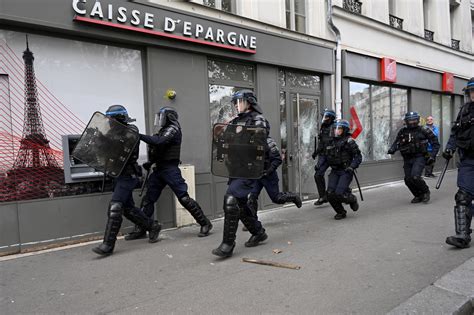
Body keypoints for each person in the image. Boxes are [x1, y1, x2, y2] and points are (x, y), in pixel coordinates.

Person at [125, 107, 213, 240]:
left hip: (170, 169)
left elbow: (159, 142)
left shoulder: (173, 128)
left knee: (184, 198)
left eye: (162, 116)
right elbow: (160, 149)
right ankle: (143, 228)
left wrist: (139, 135)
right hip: (159, 169)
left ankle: (205, 223)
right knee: (148, 200)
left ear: (169, 117)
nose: (159, 120)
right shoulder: (163, 130)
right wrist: (151, 162)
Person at [92, 105, 161, 256]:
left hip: (128, 176)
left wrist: (103, 138)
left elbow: (120, 143)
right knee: (128, 208)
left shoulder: (132, 130)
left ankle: (108, 245)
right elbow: (105, 151)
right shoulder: (112, 133)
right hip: (117, 175)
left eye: (111, 119)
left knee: (115, 207)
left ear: (119, 119)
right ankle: (152, 226)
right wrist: (97, 139)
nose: (109, 122)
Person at [212, 90, 269, 258]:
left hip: (249, 169)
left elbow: (259, 146)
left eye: (240, 101)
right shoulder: (236, 121)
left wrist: (239, 134)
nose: (237, 105)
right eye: (235, 102)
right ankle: (258, 232)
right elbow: (225, 140)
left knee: (231, 199)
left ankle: (227, 245)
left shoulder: (259, 121)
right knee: (241, 204)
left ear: (249, 102)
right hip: (236, 169)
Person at [246, 122, 302, 224]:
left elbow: (277, 160)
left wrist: (268, 171)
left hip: (268, 176)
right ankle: (252, 222)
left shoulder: (269, 142)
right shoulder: (252, 142)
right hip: (257, 176)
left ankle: (293, 197)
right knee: (251, 197)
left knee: (277, 198)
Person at [444, 77, 474, 249]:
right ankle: (463, 235)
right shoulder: (464, 111)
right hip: (468, 160)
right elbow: (455, 132)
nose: (473, 95)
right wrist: (450, 148)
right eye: (471, 91)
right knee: (463, 196)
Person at [387, 111, 440, 203]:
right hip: (407, 157)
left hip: (420, 156)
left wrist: (432, 155)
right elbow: (397, 142)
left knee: (415, 176)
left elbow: (436, 144)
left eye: (414, 120)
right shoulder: (403, 131)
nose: (412, 122)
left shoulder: (424, 130)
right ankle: (418, 195)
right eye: (410, 121)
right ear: (406, 121)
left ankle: (425, 192)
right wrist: (392, 149)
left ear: (418, 120)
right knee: (407, 179)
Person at [325, 119, 362, 220]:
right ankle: (341, 212)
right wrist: (320, 168)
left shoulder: (349, 141)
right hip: (334, 171)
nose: (336, 131)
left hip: (346, 171)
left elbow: (358, 157)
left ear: (345, 130)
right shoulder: (331, 142)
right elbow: (326, 157)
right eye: (335, 129)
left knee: (339, 194)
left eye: (339, 129)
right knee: (329, 194)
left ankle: (352, 199)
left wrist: (352, 167)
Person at [312, 109, 336, 206]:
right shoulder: (323, 127)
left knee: (339, 174)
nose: (324, 119)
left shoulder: (335, 127)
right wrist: (316, 152)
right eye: (323, 117)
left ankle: (344, 193)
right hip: (324, 156)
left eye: (326, 117)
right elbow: (322, 143)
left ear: (330, 118)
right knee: (318, 175)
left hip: (334, 156)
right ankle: (323, 196)